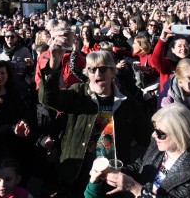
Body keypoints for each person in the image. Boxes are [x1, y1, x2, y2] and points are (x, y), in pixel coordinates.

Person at [38, 48, 152, 197]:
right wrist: (53, 65)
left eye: (103, 69)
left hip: (111, 178)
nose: (97, 74)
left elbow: (147, 137)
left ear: (112, 72)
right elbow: (48, 98)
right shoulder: (78, 93)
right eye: (92, 70)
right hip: (78, 172)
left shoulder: (126, 101)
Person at [84, 103, 190, 198]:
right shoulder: (159, 145)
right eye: (154, 129)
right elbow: (140, 165)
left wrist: (136, 188)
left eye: (160, 133)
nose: (154, 135)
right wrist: (112, 173)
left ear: (179, 134)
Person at [151, 23, 190, 91]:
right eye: (179, 46)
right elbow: (156, 59)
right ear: (172, 50)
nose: (183, 48)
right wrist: (162, 39)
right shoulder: (168, 63)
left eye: (185, 45)